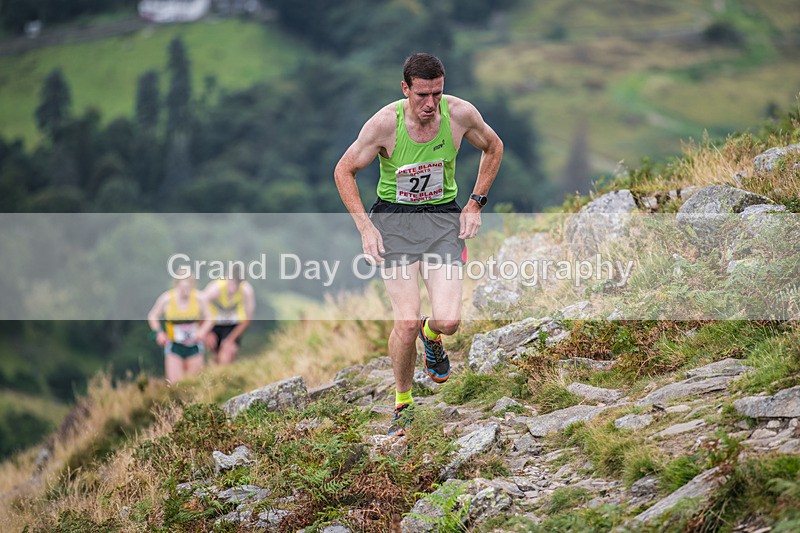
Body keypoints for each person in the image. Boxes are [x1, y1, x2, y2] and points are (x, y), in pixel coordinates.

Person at [334, 52, 503, 436]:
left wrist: (475, 203)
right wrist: (365, 227)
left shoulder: (460, 115)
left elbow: (493, 147)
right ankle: (403, 403)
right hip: (394, 223)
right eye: (422, 95)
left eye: (437, 94)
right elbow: (343, 170)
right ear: (405, 88)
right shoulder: (383, 124)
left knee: (448, 321)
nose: (430, 104)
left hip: (443, 221)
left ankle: (433, 336)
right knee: (405, 321)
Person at [147, 267, 212, 384]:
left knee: (194, 384)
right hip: (174, 346)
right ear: (177, 284)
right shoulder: (166, 299)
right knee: (175, 385)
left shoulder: (199, 298)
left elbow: (210, 317)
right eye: (183, 287)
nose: (186, 291)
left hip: (194, 346)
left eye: (189, 287)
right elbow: (153, 316)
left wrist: (203, 331)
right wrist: (159, 333)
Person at [202, 264, 256, 365]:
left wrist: (230, 340)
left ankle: (225, 377)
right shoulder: (215, 289)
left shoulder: (246, 291)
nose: (233, 287)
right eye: (231, 281)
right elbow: (198, 308)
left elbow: (247, 320)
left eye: (237, 283)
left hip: (233, 326)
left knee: (227, 353)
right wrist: (206, 333)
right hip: (213, 325)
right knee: (215, 358)